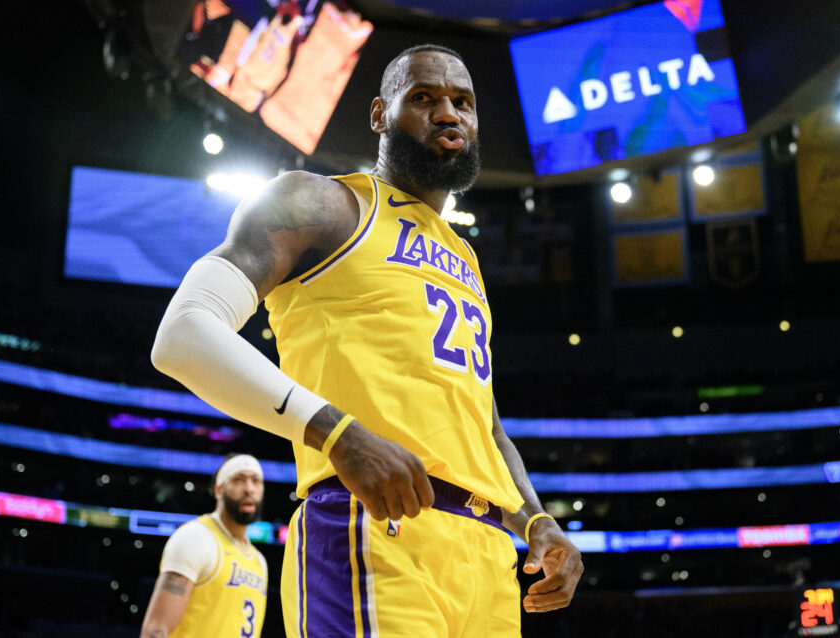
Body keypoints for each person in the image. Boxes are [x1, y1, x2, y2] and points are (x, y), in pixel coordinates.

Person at [151, 43, 584, 637]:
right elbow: (183, 332)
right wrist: (334, 430)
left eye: (463, 102)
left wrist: (536, 521)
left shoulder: (467, 258)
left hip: (486, 559)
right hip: (373, 525)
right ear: (380, 115)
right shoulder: (323, 203)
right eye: (424, 98)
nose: (448, 113)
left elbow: (484, 424)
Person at [139, 454, 269, 638]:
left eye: (256, 481)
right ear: (218, 490)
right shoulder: (196, 538)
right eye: (239, 480)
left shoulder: (259, 562)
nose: (249, 489)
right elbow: (155, 629)